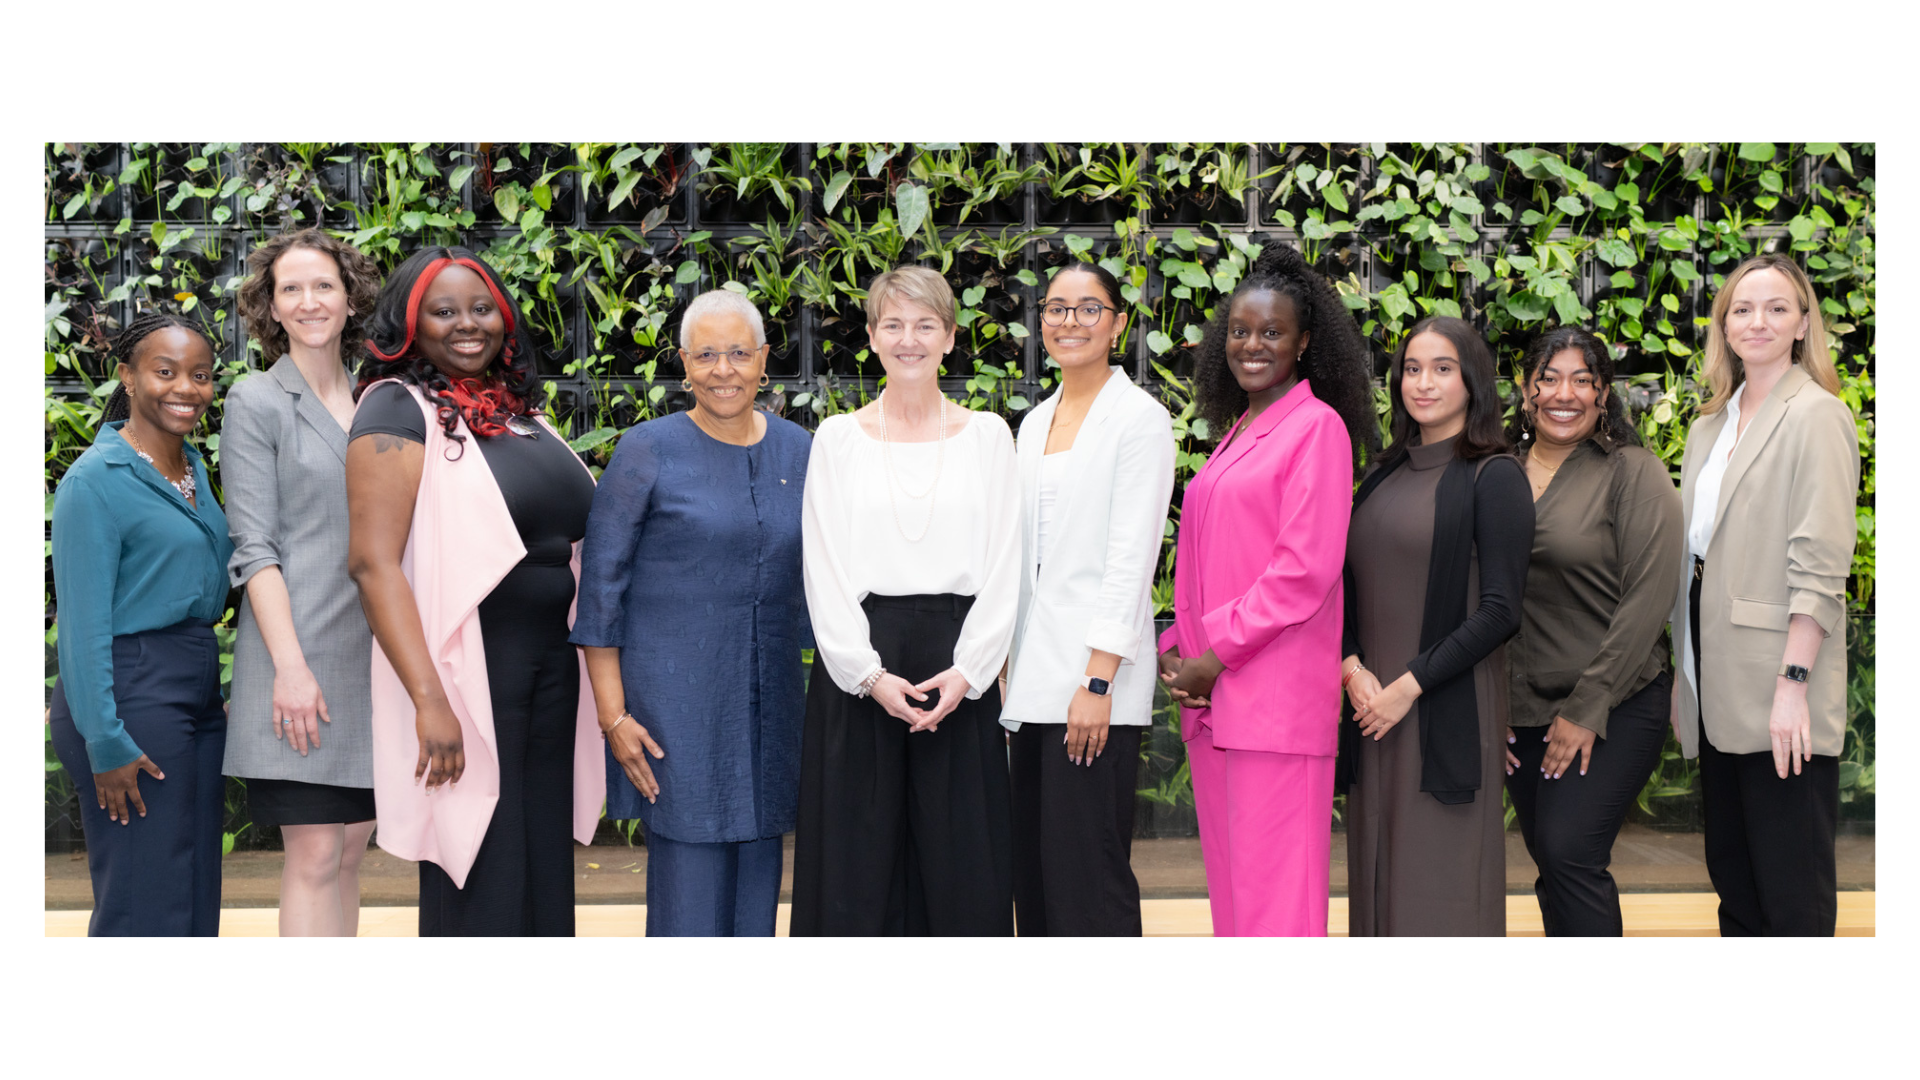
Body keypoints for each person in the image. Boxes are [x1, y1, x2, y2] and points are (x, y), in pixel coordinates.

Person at [345, 245, 603, 936]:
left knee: (541, 861)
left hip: (551, 670)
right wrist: (430, 701)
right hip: (470, 676)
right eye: (445, 310)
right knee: (481, 864)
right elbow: (373, 564)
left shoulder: (518, 415)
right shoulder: (395, 412)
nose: (468, 324)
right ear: (410, 322)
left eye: (482, 307)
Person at [571, 290, 812, 937]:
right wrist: (612, 715)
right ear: (684, 363)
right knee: (691, 898)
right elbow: (600, 591)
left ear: (764, 360)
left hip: (771, 705)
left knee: (759, 881)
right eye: (707, 354)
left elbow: (827, 581)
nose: (724, 369)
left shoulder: (802, 452)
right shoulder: (647, 450)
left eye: (738, 353)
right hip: (675, 714)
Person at [790, 265, 1020, 936]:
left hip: (958, 667)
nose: (909, 339)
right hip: (861, 665)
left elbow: (1006, 564)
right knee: (856, 866)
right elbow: (823, 566)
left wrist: (973, 669)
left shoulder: (988, 437)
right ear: (871, 336)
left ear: (950, 338)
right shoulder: (837, 438)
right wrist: (867, 675)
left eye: (925, 325)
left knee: (962, 863)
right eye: (893, 324)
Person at [1157, 243, 1380, 937]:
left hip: (1271, 707)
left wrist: (1213, 653)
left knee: (1275, 911)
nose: (1253, 345)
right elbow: (1209, 559)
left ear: (1305, 341)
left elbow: (1301, 571)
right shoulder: (1238, 431)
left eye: (1272, 332)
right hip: (1218, 700)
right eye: (1241, 331)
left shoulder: (1317, 429)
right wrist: (1178, 651)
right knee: (1236, 906)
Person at [1671, 254, 1859, 936]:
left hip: (1779, 689)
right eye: (1742, 309)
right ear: (1724, 324)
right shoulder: (1709, 425)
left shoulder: (1817, 416)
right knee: (1737, 884)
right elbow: (1696, 558)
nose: (1758, 321)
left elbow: (1820, 565)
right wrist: (1683, 674)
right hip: (1717, 686)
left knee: (1791, 894)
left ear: (1803, 323)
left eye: (1777, 308)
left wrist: (1793, 685)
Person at [1339, 315, 1532, 937]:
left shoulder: (1494, 476)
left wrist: (1405, 688)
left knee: (1437, 887)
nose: (1423, 383)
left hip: (1440, 707)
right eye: (1413, 369)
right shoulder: (1383, 472)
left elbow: (1501, 611)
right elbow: (1341, 585)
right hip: (1373, 710)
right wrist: (1353, 670)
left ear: (1472, 381)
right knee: (1377, 877)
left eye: (1443, 369)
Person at [999, 261, 1174, 937]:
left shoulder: (1140, 419)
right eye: (1056, 308)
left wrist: (1097, 678)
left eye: (1087, 309)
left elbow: (1131, 558)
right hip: (1032, 679)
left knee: (1088, 876)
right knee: (1036, 876)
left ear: (1118, 324)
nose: (1069, 321)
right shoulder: (1033, 421)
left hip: (1092, 682)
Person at [49, 311, 232, 936]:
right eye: (165, 371)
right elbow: (80, 626)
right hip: (129, 693)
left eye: (201, 375)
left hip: (192, 691)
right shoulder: (95, 482)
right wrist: (105, 740)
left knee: (193, 882)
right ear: (127, 377)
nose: (187, 387)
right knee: (143, 893)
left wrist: (210, 685)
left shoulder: (191, 473)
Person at [222, 228, 384, 936]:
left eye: (324, 285)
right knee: (315, 853)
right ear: (272, 307)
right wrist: (290, 668)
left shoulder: (384, 399)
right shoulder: (256, 400)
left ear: (350, 300)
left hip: (374, 663)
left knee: (352, 850)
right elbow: (253, 548)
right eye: (292, 288)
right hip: (299, 662)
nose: (309, 300)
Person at [1501, 326, 1683, 936]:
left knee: (1569, 851)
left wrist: (1587, 708)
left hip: (1615, 701)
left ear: (1604, 394)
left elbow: (1648, 601)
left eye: (1583, 380)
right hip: (1520, 711)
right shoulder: (1493, 471)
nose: (1564, 393)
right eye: (1548, 378)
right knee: (1554, 863)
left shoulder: (1633, 473)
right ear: (1525, 392)